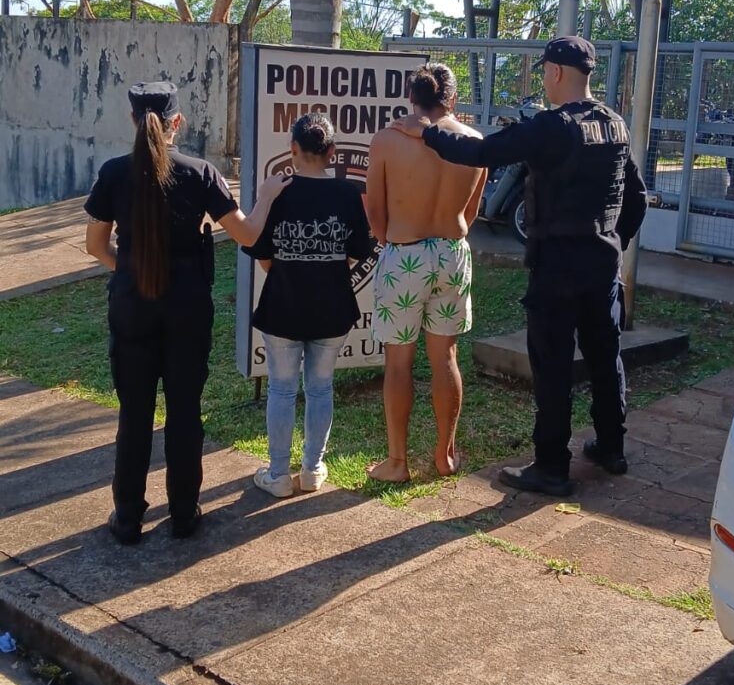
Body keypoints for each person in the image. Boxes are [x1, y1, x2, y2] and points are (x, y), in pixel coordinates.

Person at [395, 38, 647, 497]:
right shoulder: (614, 124)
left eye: (544, 71)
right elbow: (636, 197)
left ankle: (551, 466)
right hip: (601, 265)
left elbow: (481, 153)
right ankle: (612, 447)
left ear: (554, 72)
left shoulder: (552, 127)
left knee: (552, 367)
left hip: (557, 268)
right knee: (605, 357)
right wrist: (615, 242)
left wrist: (427, 133)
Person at [85, 80, 287, 544]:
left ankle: (128, 518)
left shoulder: (113, 173)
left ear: (134, 121)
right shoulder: (201, 173)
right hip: (188, 311)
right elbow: (249, 236)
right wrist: (268, 196)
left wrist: (132, 268)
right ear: (179, 122)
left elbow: (95, 244)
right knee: (185, 412)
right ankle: (182, 514)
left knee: (133, 415)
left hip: (132, 307)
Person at [365, 63, 487, 482]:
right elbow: (470, 214)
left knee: (398, 363)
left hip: (404, 255)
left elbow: (375, 217)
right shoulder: (474, 141)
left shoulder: (386, 141)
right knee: (445, 357)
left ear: (410, 99)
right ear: (451, 99)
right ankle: (444, 454)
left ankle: (397, 462)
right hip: (453, 252)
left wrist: (393, 237)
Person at [246, 113, 372, 499]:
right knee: (321, 389)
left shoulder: (276, 191)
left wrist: (290, 268)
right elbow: (357, 253)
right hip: (333, 305)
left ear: (293, 150)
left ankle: (279, 474)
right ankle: (313, 469)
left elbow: (260, 250)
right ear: (332, 152)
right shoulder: (349, 193)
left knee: (282, 391)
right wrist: (326, 268)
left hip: (282, 303)